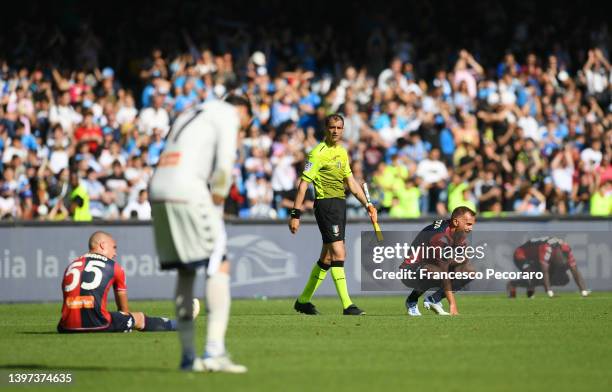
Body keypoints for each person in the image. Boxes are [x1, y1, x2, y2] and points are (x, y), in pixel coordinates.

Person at [149, 95, 252, 373]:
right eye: (246, 124)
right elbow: (223, 168)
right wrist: (218, 200)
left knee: (185, 272)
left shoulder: (189, 111)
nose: (242, 129)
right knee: (220, 264)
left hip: (158, 188)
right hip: (188, 190)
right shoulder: (228, 115)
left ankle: (187, 357)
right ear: (242, 111)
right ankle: (214, 352)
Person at [289, 113, 377, 316]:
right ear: (326, 129)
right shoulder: (317, 153)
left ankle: (303, 301)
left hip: (340, 205)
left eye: (339, 128)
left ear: (343, 130)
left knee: (327, 258)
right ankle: (348, 305)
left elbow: (352, 183)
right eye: (332, 127)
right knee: (339, 253)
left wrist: (368, 204)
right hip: (326, 205)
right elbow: (303, 185)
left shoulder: (343, 153)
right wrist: (295, 214)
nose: (335, 131)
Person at [58, 231, 196, 333]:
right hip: (98, 324)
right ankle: (179, 324)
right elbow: (124, 312)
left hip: (65, 326)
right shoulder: (114, 267)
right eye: (114, 247)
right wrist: (126, 321)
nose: (115, 253)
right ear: (102, 245)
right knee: (139, 318)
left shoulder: (72, 264)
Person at [400, 206, 477, 316]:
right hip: (409, 271)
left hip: (431, 266)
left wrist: (462, 259)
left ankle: (434, 299)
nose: (471, 228)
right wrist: (452, 304)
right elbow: (443, 269)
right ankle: (412, 300)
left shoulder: (458, 233)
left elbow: (462, 259)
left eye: (472, 225)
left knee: (469, 271)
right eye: (468, 224)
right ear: (456, 222)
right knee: (436, 272)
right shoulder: (439, 235)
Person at [508, 236, 589, 298]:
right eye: (560, 260)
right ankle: (514, 285)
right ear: (557, 251)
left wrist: (583, 290)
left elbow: (574, 269)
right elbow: (544, 271)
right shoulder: (546, 248)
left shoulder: (566, 250)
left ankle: (519, 285)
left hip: (534, 257)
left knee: (564, 279)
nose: (562, 262)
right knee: (530, 273)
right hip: (521, 254)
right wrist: (549, 292)